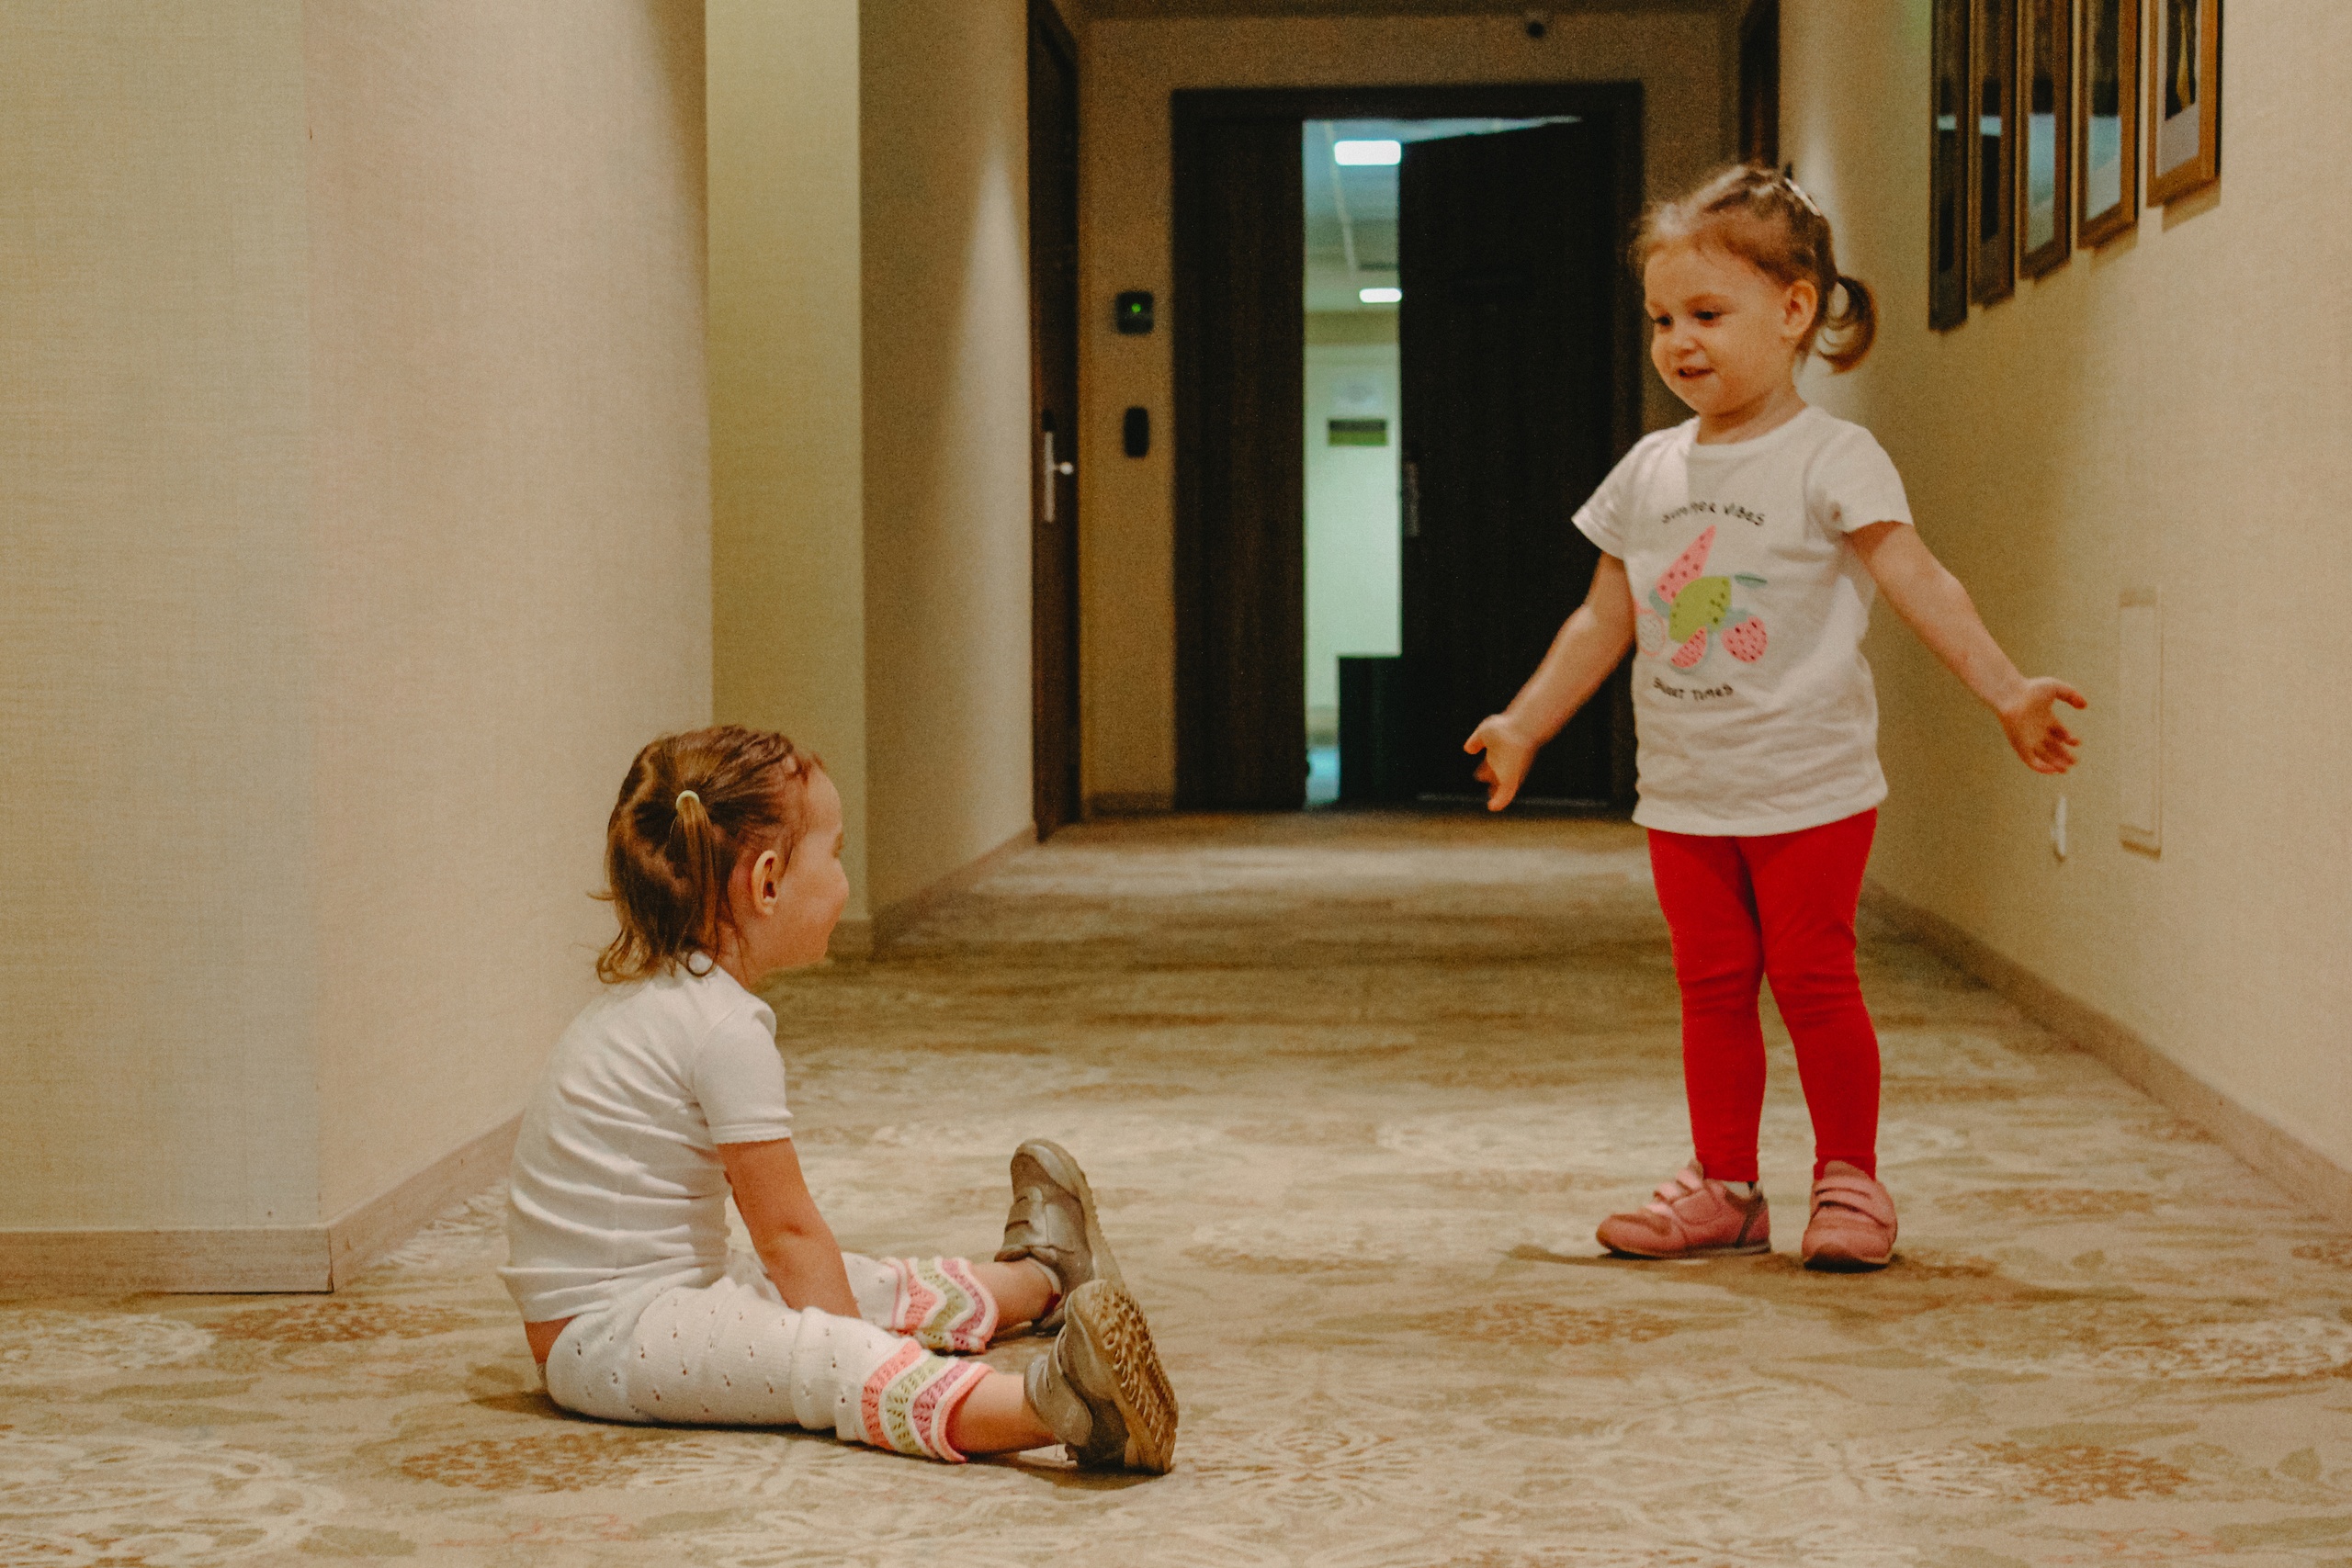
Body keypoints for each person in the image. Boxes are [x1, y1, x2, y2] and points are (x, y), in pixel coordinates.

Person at [1464, 166, 2084, 1271]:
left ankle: (1850, 1178)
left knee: (1811, 978)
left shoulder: (1831, 457)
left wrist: (2006, 689)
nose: (1678, 342)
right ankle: (1725, 1186)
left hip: (1809, 782)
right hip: (1686, 789)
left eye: (1707, 314)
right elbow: (1603, 617)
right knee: (1709, 987)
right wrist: (1525, 723)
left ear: (1794, 309)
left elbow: (1919, 581)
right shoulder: (1648, 470)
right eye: (1661, 319)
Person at [499, 726, 1177, 1471]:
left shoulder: (668, 999)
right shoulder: (722, 1029)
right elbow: (788, 1234)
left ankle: (1044, 1280)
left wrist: (844, 1305)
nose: (844, 879)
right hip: (611, 1338)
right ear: (766, 883)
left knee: (855, 1280)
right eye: (837, 852)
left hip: (638, 1306)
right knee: (822, 1352)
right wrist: (866, 1351)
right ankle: (1064, 1408)